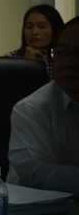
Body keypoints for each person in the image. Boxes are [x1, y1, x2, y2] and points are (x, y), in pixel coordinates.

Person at [7, 16, 79, 194]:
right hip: (37, 207)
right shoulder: (31, 109)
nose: (68, 63)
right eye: (61, 52)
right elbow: (36, 174)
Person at [4, 4, 64, 80]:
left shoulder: (61, 61)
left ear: (55, 30)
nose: (34, 32)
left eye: (42, 27)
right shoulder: (11, 59)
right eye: (29, 27)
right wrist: (28, 63)